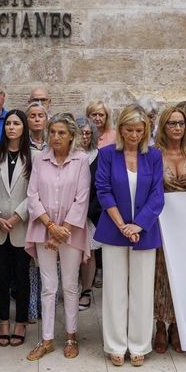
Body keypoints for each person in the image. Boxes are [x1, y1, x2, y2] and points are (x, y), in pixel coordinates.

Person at [95, 106, 165, 368]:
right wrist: (122, 225)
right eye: (130, 130)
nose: (135, 135)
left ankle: (139, 345)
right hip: (114, 229)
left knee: (142, 289)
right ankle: (115, 344)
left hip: (144, 231)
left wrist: (139, 225)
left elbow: (158, 194)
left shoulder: (154, 155)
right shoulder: (106, 154)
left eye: (139, 130)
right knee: (114, 288)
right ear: (121, 129)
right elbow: (103, 190)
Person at [24, 114, 90, 362]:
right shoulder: (40, 159)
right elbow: (32, 196)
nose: (56, 137)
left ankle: (71, 336)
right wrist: (51, 227)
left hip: (71, 230)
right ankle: (47, 339)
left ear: (71, 135)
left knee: (70, 285)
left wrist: (62, 231)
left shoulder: (81, 160)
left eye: (62, 133)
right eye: (52, 132)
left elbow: (82, 199)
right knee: (48, 285)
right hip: (45, 229)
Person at [0, 109, 32, 349]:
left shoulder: (34, 155)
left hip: (21, 226)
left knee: (22, 277)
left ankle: (21, 322)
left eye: (16, 123)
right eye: (8, 124)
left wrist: (16, 217)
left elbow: (35, 192)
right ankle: (3, 321)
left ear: (24, 128)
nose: (11, 127)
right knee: (1, 277)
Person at [153, 105, 186, 354]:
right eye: (172, 123)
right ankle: (160, 324)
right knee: (160, 273)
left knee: (182, 272)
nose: (177, 128)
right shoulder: (153, 154)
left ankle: (178, 325)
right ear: (163, 126)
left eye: (181, 123)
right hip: (160, 220)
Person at [75, 116, 102, 312]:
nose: (84, 136)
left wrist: (86, 212)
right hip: (69, 214)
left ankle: (86, 290)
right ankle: (69, 290)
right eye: (81, 132)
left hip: (91, 213)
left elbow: (102, 187)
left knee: (89, 253)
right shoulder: (67, 154)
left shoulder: (99, 156)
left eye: (88, 133)